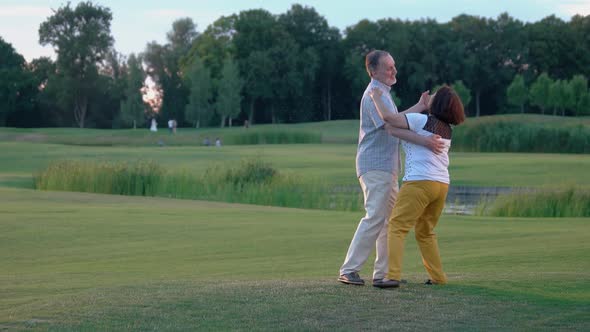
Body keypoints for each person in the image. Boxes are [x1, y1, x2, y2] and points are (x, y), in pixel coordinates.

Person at [338, 50, 445, 288]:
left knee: (389, 220)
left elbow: (396, 119)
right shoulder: (374, 94)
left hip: (386, 166)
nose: (394, 71)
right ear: (374, 71)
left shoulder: (383, 94)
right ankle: (349, 270)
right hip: (375, 165)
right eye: (388, 67)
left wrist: (419, 105)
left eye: (394, 66)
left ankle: (384, 274)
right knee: (376, 216)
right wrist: (425, 137)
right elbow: (391, 124)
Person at [369, 84, 465, 288]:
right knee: (425, 230)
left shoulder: (421, 120)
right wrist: (418, 109)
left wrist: (375, 97)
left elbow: (389, 119)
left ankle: (392, 276)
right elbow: (394, 129)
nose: (431, 95)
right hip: (441, 186)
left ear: (437, 103)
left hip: (420, 182)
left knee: (396, 225)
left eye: (435, 95)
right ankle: (438, 277)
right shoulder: (447, 129)